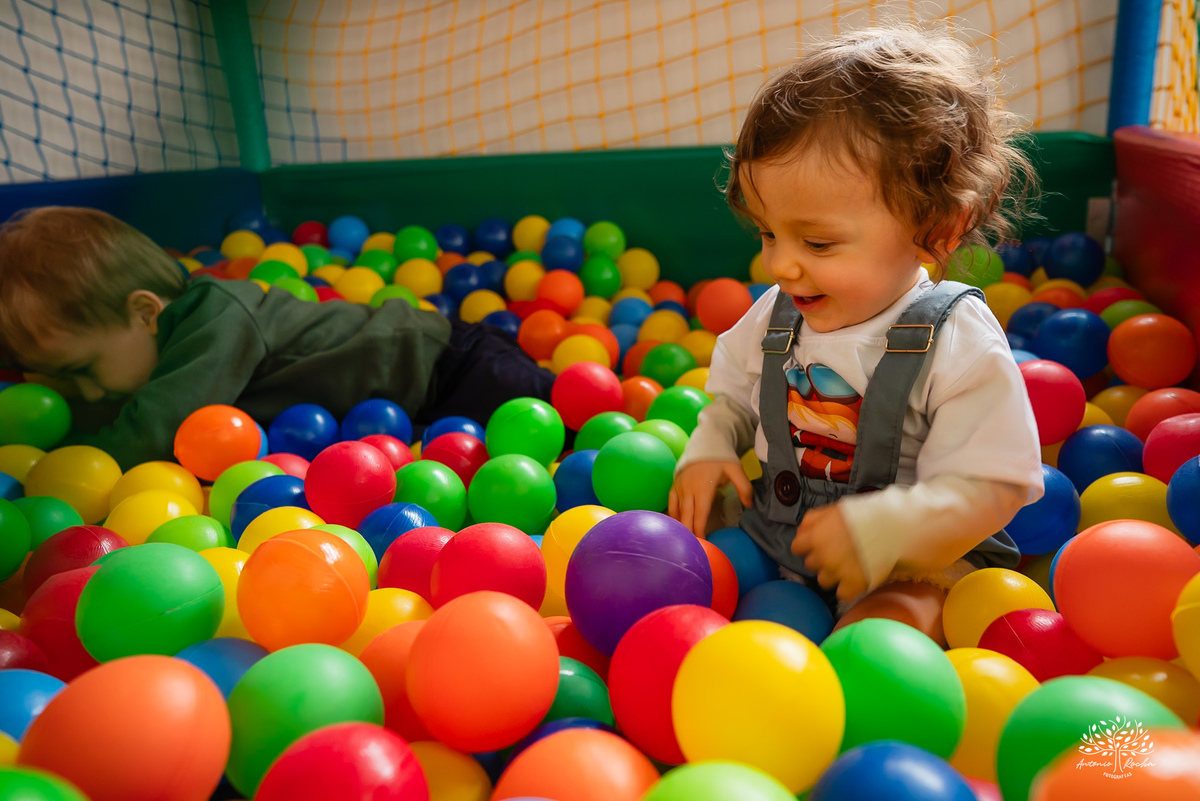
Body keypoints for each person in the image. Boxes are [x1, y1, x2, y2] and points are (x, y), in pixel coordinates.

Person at [669, 25, 1045, 643]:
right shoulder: (779, 312)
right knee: (691, 577)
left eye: (817, 242)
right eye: (768, 234)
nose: (781, 266)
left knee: (888, 630)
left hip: (913, 562)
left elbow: (995, 484)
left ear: (939, 227)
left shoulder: (956, 339)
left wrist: (891, 527)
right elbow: (734, 393)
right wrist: (710, 444)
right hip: (777, 537)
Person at [0, 206, 554, 471]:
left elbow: (154, 429)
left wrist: (64, 467)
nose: (87, 394)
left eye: (83, 372)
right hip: (409, 418)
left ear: (146, 313)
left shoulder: (214, 316)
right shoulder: (156, 348)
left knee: (558, 417)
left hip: (446, 361)